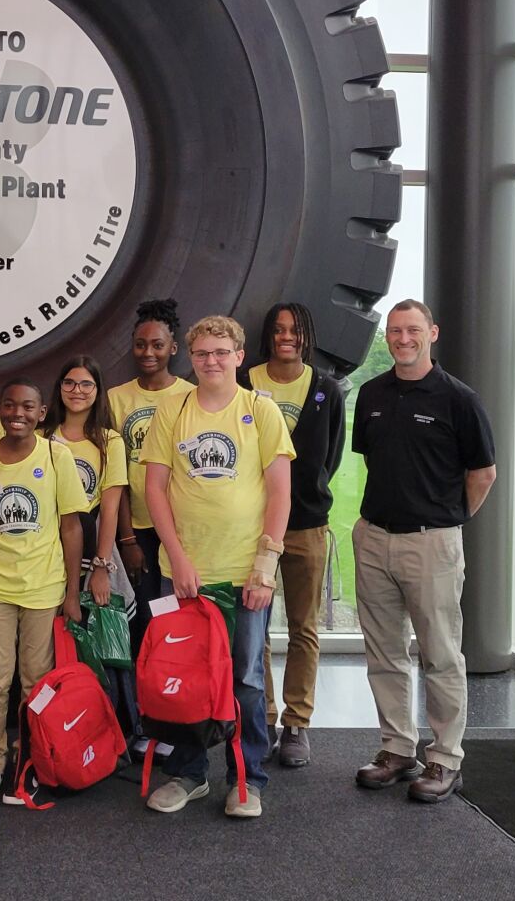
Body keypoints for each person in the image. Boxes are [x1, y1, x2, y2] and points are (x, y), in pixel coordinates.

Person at [142, 314, 294, 818]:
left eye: (221, 353)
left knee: (246, 679)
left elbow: (279, 493)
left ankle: (246, 778)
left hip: (243, 571)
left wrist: (265, 567)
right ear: (192, 357)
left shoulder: (261, 411)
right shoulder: (171, 409)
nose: (212, 361)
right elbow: (155, 489)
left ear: (238, 356)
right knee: (183, 674)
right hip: (184, 572)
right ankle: (188, 774)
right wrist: (179, 560)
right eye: (203, 354)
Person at [350, 299, 496, 804]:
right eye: (394, 331)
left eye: (413, 329)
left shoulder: (459, 400)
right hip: (373, 539)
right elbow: (373, 458)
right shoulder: (371, 394)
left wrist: (447, 523)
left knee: (440, 655)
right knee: (384, 653)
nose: (403, 338)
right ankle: (396, 749)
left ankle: (444, 758)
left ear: (432, 332)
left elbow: (483, 475)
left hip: (431, 543)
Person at [0, 376, 90, 805]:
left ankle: (29, 759)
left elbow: (71, 527)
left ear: (42, 413)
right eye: (10, 406)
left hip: (44, 588)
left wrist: (71, 593)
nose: (18, 415)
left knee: (36, 683)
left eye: (28, 407)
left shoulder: (56, 456)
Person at [242, 303, 345, 768]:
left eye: (295, 330)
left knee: (305, 628)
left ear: (307, 335)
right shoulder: (245, 382)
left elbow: (331, 457)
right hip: (251, 528)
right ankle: (261, 717)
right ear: (268, 335)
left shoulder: (326, 388)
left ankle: (297, 723)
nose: (287, 336)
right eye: (279, 330)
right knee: (254, 628)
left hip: (306, 525)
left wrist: (305, 494)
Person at [42, 355, 138, 737]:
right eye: (69, 383)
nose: (76, 391)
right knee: (55, 643)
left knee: (98, 643)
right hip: (49, 550)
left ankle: (109, 731)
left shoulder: (109, 440)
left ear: (97, 391)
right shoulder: (43, 435)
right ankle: (59, 729)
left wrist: (101, 566)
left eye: (86, 384)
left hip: (93, 549)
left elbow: (110, 505)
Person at [106, 299, 192, 628]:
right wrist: (126, 540)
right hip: (136, 528)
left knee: (174, 616)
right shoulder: (116, 398)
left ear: (172, 348)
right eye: (140, 345)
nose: (148, 352)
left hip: (178, 526)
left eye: (157, 345)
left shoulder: (189, 396)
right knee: (143, 617)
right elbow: (115, 477)